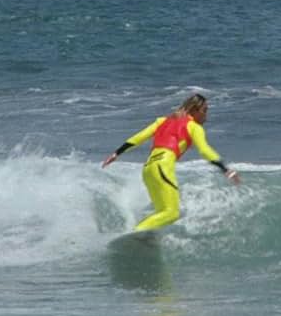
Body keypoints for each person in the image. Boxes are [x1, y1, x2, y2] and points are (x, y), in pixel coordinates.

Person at [102, 93, 240, 232]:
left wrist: (116, 153)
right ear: (194, 110)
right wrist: (225, 169)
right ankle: (135, 232)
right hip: (163, 166)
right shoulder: (194, 127)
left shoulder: (162, 121)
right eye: (204, 110)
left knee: (162, 211)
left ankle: (143, 235)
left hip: (148, 169)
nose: (206, 116)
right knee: (172, 213)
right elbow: (205, 150)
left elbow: (140, 137)